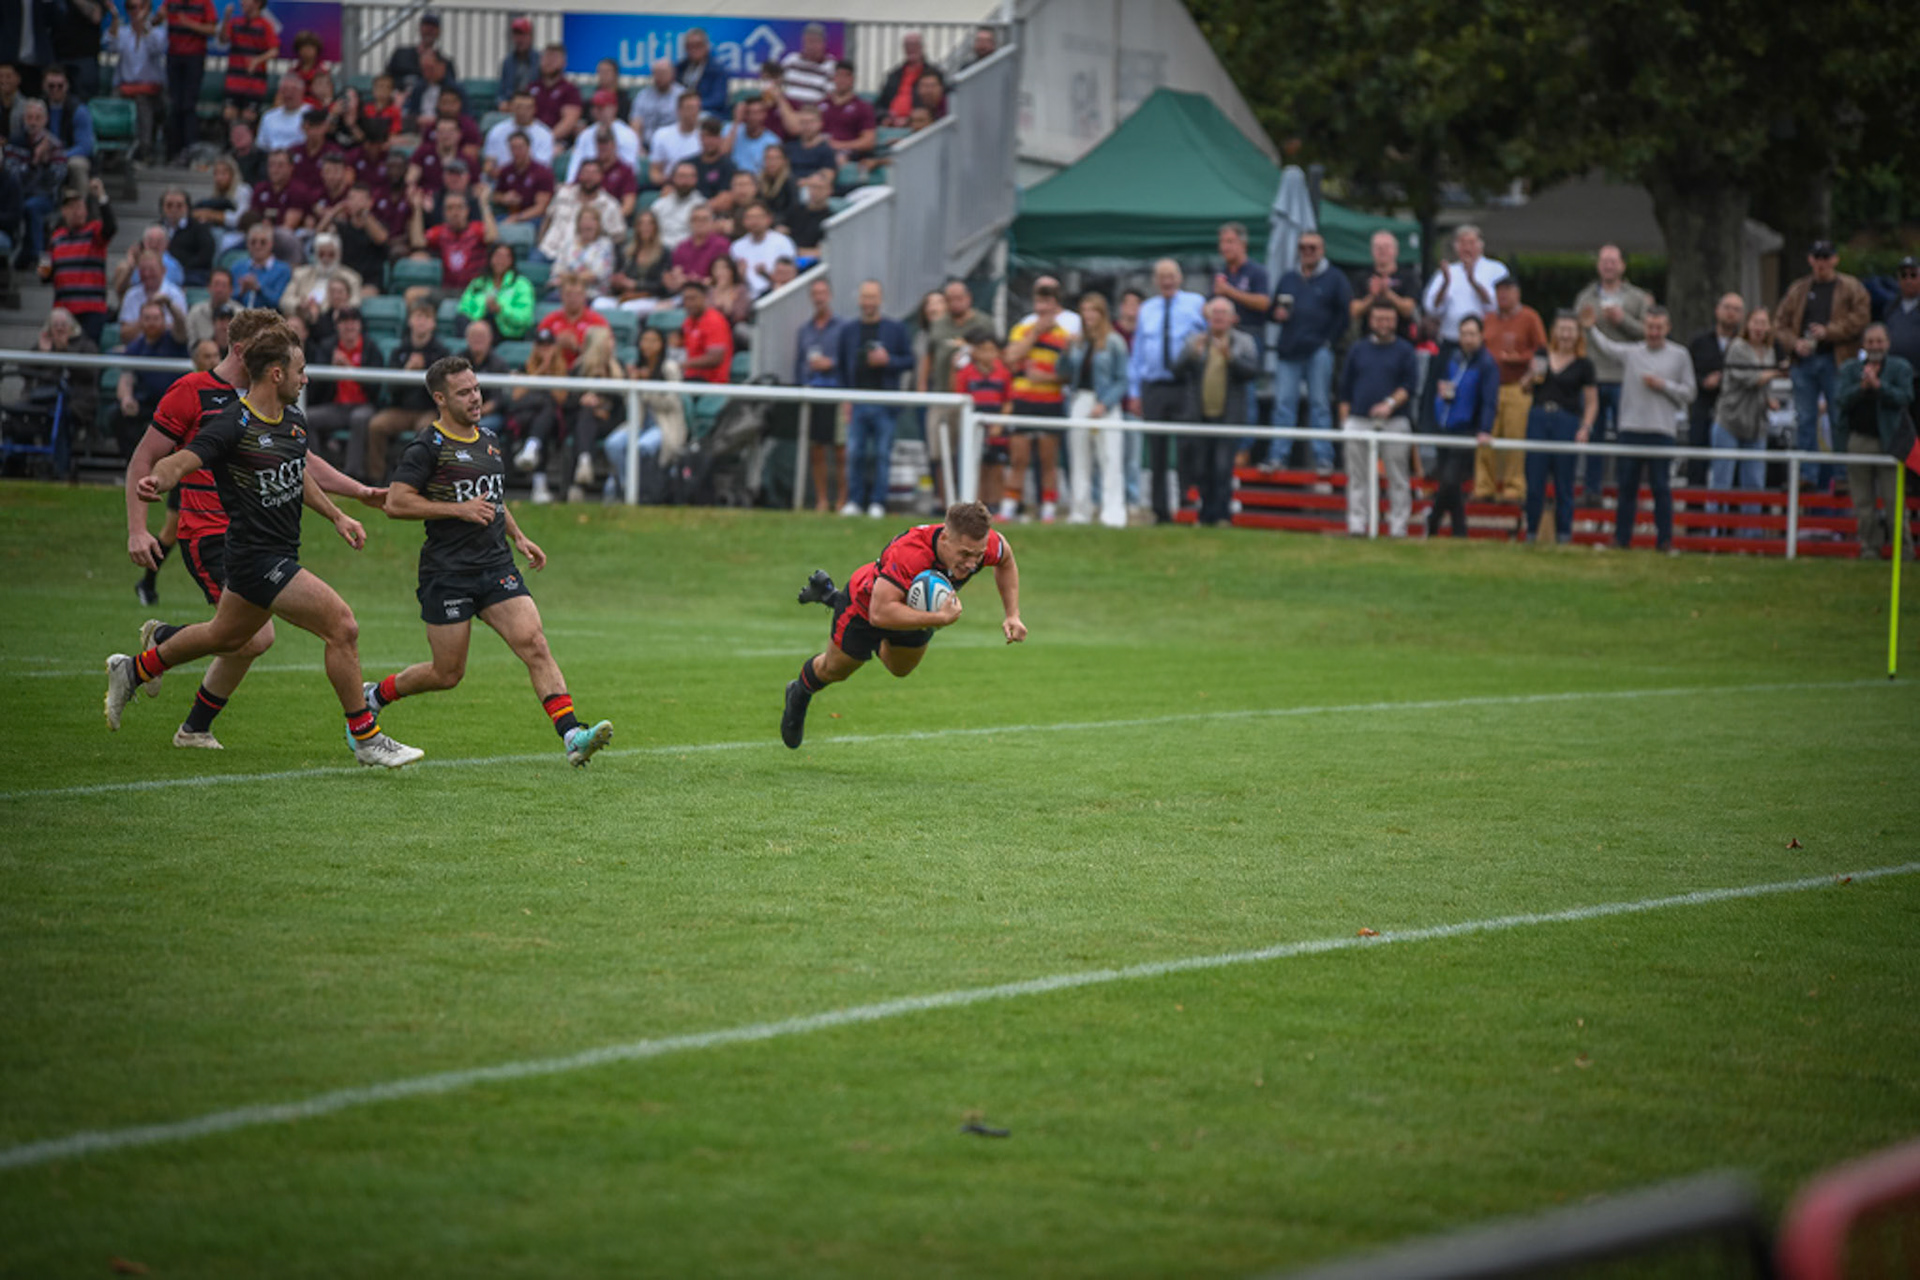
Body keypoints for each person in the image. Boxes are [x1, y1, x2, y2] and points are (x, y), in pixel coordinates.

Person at [108, 326, 421, 766]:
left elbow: (297, 473)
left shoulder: (292, 420)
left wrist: (337, 515)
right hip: (257, 559)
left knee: (226, 636)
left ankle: (134, 669)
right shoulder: (232, 423)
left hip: (276, 553)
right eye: (300, 370)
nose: (305, 379)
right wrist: (157, 479)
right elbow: (183, 458)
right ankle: (366, 737)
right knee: (342, 626)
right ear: (276, 373)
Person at [356, 355, 614, 764]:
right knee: (447, 674)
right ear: (441, 398)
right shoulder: (428, 446)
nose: (475, 398)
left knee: (535, 643)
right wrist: (457, 510)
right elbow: (396, 503)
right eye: (464, 392)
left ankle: (572, 736)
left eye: (476, 388)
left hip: (495, 566)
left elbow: (492, 500)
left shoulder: (489, 440)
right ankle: (374, 696)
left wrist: (519, 536)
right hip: (448, 573)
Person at [781, 501, 1024, 749]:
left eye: (978, 555)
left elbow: (1006, 559)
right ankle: (799, 693)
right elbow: (879, 613)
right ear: (944, 537)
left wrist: (1012, 615)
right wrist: (939, 618)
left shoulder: (982, 544)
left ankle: (833, 598)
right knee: (835, 670)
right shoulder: (910, 552)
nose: (972, 563)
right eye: (965, 554)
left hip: (913, 612)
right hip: (865, 607)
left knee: (900, 669)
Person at [1581, 304, 1696, 552]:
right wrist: (1590, 328)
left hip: (1661, 431)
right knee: (1626, 488)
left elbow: (1690, 392)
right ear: (1644, 327)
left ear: (1667, 328)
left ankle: (1664, 541)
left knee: (1661, 488)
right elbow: (1607, 347)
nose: (1654, 332)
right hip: (1630, 429)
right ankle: (1621, 540)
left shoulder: (1680, 355)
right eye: (1650, 327)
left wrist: (1663, 385)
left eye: (1659, 327)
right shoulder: (1632, 352)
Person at [1773, 240, 1871, 492]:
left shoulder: (1851, 287)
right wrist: (1795, 343)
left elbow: (1862, 317)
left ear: (1835, 259)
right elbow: (1780, 323)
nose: (1821, 262)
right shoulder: (1799, 289)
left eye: (1826, 257)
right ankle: (1807, 474)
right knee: (1805, 418)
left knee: (1839, 417)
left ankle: (1841, 475)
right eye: (1817, 257)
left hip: (1836, 361)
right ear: (1810, 259)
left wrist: (1829, 331)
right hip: (1804, 362)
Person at [1128, 259, 1208, 523]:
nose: (1167, 281)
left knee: (1187, 444)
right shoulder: (1147, 309)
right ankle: (1160, 510)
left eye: (1171, 276)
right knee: (1157, 450)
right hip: (1154, 386)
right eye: (1162, 277)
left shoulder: (1195, 303)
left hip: (1185, 384)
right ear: (1155, 281)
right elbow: (1138, 351)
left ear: (1180, 278)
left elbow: (1208, 337)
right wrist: (1135, 391)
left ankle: (1187, 501)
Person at [1571, 244, 1653, 500]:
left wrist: (1622, 320)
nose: (1608, 265)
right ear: (1598, 265)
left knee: (1625, 438)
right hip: (1592, 378)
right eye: (1604, 261)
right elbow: (1573, 334)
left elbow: (1650, 333)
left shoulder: (1637, 298)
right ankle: (1592, 491)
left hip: (1625, 378)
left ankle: (1624, 492)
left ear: (1623, 266)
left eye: (1613, 261)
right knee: (1592, 436)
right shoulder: (1585, 297)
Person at [1271, 231, 1354, 478]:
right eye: (1303, 247)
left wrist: (1327, 341)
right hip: (1289, 351)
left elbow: (1345, 315)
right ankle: (1278, 456)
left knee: (1320, 405)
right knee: (1284, 405)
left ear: (1322, 250)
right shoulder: (1288, 278)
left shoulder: (1335, 278)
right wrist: (1277, 314)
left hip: (1318, 351)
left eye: (1312, 247)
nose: (1307, 252)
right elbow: (1273, 309)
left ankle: (1323, 458)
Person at [1337, 297, 1421, 538]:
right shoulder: (1358, 349)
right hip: (1358, 420)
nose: (1383, 324)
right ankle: (1357, 525)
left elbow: (1410, 385)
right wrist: (1345, 422)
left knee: (1398, 476)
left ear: (1395, 321)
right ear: (1371, 321)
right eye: (1379, 319)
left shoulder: (1405, 350)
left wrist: (1389, 404)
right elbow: (1345, 388)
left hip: (1395, 421)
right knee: (1357, 476)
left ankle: (1398, 527)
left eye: (1388, 319)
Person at [1173, 297, 1259, 527]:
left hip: (1228, 416)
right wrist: (1192, 354)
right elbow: (1177, 370)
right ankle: (1205, 514)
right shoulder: (1196, 340)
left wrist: (1231, 358)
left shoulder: (1243, 342)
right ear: (1208, 318)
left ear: (1232, 318)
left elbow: (1252, 372)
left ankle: (1222, 515)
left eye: (1223, 313)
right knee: (1201, 467)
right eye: (1215, 313)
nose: (1218, 317)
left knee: (1222, 467)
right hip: (1200, 415)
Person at [1835, 324, 1914, 559]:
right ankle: (1869, 547)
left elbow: (1905, 397)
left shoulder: (1900, 367)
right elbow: (1841, 399)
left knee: (1894, 501)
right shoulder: (1850, 369)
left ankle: (1904, 549)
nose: (1875, 346)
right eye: (1870, 342)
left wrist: (1880, 386)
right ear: (1863, 345)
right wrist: (1862, 387)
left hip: (1891, 442)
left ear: (1888, 343)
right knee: (1863, 502)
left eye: (1879, 341)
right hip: (1860, 440)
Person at [836, 279, 912, 518]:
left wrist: (888, 361)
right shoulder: (848, 330)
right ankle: (855, 500)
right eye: (865, 297)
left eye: (872, 297)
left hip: (885, 403)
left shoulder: (896, 329)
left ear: (880, 299)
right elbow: (841, 366)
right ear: (859, 299)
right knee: (855, 453)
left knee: (881, 454)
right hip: (857, 401)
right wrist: (845, 399)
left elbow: (909, 360)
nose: (868, 302)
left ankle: (878, 502)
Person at [1522, 314, 1598, 545]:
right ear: (1554, 332)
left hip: (1566, 420)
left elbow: (1591, 401)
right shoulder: (1541, 355)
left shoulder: (1584, 364)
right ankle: (1531, 532)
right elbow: (1525, 388)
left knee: (1564, 482)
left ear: (1577, 334)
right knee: (1534, 481)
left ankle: (1564, 534)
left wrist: (1585, 427)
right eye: (1562, 329)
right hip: (1539, 417)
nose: (1565, 335)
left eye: (1570, 330)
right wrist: (1531, 374)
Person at [1002, 281, 1072, 522]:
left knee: (1048, 459)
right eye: (1039, 302)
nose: (1042, 308)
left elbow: (1069, 374)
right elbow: (1010, 356)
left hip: (1050, 401)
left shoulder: (1065, 337)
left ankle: (1049, 509)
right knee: (1018, 457)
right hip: (1023, 400)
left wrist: (1047, 378)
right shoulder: (1022, 329)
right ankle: (1009, 506)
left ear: (1056, 306)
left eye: (1047, 302)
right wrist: (1034, 334)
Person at [1059, 292, 1131, 528]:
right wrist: (1066, 350)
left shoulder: (1114, 342)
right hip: (1080, 400)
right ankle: (1080, 511)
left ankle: (1113, 512)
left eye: (1093, 310)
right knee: (1079, 458)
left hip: (1105, 404)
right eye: (1085, 310)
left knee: (1110, 457)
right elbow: (1063, 371)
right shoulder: (1079, 342)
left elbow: (1122, 379)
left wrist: (1105, 403)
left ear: (1102, 314)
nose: (1088, 315)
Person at [355, 302, 449, 480]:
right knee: (376, 425)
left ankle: (418, 479)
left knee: (426, 430)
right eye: (418, 316)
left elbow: (443, 390)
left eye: (426, 317)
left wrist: (426, 370)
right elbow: (390, 388)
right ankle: (376, 478)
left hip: (428, 410)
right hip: (401, 409)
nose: (421, 322)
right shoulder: (399, 351)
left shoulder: (441, 353)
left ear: (433, 324)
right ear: (410, 321)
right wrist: (407, 371)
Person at [1712, 307, 1787, 529]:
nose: (1759, 327)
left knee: (1754, 483)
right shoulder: (1737, 347)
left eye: (1764, 323)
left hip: (1756, 424)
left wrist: (1769, 400)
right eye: (1756, 322)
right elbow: (1752, 379)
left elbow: (1764, 385)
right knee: (1722, 481)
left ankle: (1751, 536)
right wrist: (1778, 371)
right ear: (1747, 325)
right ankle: (1716, 533)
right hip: (1730, 421)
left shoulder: (1769, 351)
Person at [1428, 315, 1498, 538]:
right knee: (1451, 484)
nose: (1467, 339)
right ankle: (1460, 531)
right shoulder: (1454, 357)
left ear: (1481, 336)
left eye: (1472, 334)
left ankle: (1432, 522)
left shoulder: (1487, 364)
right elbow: (1441, 386)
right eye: (1464, 334)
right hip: (1446, 426)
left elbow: (1489, 400)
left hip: (1466, 429)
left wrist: (1484, 429)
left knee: (1450, 479)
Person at [1477, 276, 1545, 502]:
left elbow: (1542, 352)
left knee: (1515, 437)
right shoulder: (1488, 319)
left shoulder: (1529, 317)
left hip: (1517, 386)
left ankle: (1513, 487)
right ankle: (1484, 486)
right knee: (1485, 434)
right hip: (1489, 387)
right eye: (1499, 291)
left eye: (1508, 290)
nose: (1503, 295)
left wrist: (1522, 362)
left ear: (1518, 293)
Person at [1681, 293, 1747, 486]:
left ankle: (1730, 503)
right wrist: (1703, 381)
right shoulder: (1699, 341)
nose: (1731, 313)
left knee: (1732, 463)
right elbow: (1687, 372)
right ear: (1717, 310)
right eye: (1727, 307)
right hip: (1703, 407)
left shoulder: (1746, 344)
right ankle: (1695, 503)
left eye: (1736, 309)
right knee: (1697, 460)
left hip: (1735, 411)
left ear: (1742, 315)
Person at [1212, 220, 1270, 437]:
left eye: (1230, 241)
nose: (1224, 247)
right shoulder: (1221, 273)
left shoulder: (1256, 272)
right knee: (1220, 389)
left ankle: (1244, 446)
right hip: (1222, 337)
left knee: (1247, 392)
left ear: (1243, 244)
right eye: (1222, 242)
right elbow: (1210, 303)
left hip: (1249, 336)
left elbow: (1264, 303)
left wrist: (1230, 292)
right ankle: (1223, 442)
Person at [794, 276, 845, 512]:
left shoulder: (842, 327)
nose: (819, 298)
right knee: (816, 450)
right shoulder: (805, 330)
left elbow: (847, 360)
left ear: (830, 295)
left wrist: (830, 364)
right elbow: (799, 364)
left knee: (840, 450)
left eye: (823, 293)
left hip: (836, 392)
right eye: (815, 294)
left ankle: (842, 500)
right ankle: (822, 500)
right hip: (813, 393)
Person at [303, 303, 381, 458]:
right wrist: (330, 370)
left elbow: (376, 388)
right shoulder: (327, 347)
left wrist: (351, 369)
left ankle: (353, 471)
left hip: (364, 404)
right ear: (337, 326)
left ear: (360, 325)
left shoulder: (371, 347)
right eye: (344, 321)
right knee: (306, 418)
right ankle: (315, 467)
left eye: (353, 321)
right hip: (336, 406)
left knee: (359, 418)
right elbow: (316, 389)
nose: (349, 326)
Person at [45, 178, 114, 344]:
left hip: (91, 309)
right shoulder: (56, 237)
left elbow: (110, 227)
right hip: (64, 309)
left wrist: (101, 196)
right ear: (64, 211)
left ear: (85, 211)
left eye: (80, 207)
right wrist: (44, 271)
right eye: (71, 207)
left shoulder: (94, 232)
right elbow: (47, 273)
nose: (76, 211)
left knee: (87, 350)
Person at [953, 327, 1013, 517]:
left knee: (996, 467)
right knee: (976, 467)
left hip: (996, 429)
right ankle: (976, 507)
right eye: (982, 349)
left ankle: (995, 506)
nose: (987, 354)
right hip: (973, 429)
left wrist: (1000, 423)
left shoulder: (1003, 373)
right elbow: (960, 399)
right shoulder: (965, 373)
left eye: (991, 349)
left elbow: (1008, 401)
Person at [109, 0, 168, 163]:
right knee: (113, 100)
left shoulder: (158, 32)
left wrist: (144, 27)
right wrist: (115, 19)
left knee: (143, 102)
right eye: (131, 7)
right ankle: (112, 151)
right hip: (126, 87)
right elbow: (111, 46)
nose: (135, 11)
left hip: (150, 89)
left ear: (147, 9)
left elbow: (156, 48)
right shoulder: (123, 32)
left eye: (139, 7)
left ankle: (145, 150)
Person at [540, 157, 626, 261]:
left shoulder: (610, 205)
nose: (589, 177)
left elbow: (618, 237)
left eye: (594, 173)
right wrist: (540, 242)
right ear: (579, 175)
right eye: (586, 172)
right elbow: (547, 220)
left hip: (582, 260)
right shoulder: (563, 194)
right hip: (549, 251)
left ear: (601, 176)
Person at [164, 0, 219, 161]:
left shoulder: (204, 3)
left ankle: (191, 151)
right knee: (174, 104)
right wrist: (157, 17)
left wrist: (189, 23)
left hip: (194, 57)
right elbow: (157, 19)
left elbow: (212, 29)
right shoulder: (171, 2)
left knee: (188, 105)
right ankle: (172, 152)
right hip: (174, 56)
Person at [1347, 229, 1420, 342]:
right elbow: (1354, 311)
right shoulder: (1362, 276)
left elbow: (1408, 309)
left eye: (1387, 247)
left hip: (1401, 340)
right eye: (1378, 247)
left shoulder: (1408, 276)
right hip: (1369, 341)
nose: (1382, 251)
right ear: (1372, 251)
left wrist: (1388, 293)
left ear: (1396, 251)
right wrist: (1372, 296)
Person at [219, 0, 279, 126]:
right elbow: (223, 40)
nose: (242, 3)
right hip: (234, 80)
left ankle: (249, 138)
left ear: (257, 3)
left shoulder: (265, 25)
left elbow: (274, 51)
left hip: (255, 82)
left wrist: (257, 60)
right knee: (229, 114)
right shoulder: (235, 22)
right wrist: (226, 18)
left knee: (249, 116)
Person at [459, 241, 535, 340]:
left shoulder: (522, 285)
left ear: (512, 260)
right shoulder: (479, 282)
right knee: (461, 319)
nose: (501, 261)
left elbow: (524, 318)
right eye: (498, 256)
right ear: (491, 258)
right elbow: (464, 307)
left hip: (506, 331)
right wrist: (478, 318)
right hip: (477, 326)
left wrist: (500, 310)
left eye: (505, 257)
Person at [37, 67, 91, 191]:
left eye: (60, 86)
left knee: (78, 165)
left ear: (67, 86)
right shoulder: (38, 107)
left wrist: (59, 156)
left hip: (69, 155)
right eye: (51, 86)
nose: (55, 90)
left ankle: (80, 202)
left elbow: (85, 146)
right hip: (43, 154)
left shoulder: (79, 110)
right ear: (44, 86)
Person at [679, 277, 734, 384]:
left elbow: (715, 358)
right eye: (685, 299)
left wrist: (682, 364)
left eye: (693, 298)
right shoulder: (688, 322)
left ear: (704, 298)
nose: (689, 303)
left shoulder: (714, 321)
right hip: (690, 379)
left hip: (712, 383)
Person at [485, 90, 554, 173]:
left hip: (531, 178)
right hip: (501, 177)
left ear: (534, 109)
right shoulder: (497, 131)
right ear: (511, 108)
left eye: (527, 108)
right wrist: (503, 176)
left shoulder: (544, 134)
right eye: (519, 107)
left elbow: (542, 167)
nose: (522, 112)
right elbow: (489, 163)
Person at [648, 89, 705, 187]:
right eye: (689, 108)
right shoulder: (662, 135)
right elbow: (654, 172)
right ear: (679, 111)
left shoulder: (705, 137)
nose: (694, 112)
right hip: (670, 185)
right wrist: (670, 183)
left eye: (697, 108)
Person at [384, 10, 454, 88]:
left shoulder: (444, 64)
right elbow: (386, 79)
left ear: (439, 31)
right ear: (420, 28)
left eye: (433, 26)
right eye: (426, 25)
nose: (429, 29)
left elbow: (450, 89)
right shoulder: (400, 54)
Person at [778, 22, 836, 112]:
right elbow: (778, 83)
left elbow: (830, 96)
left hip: (814, 112)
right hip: (787, 110)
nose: (811, 46)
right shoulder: (791, 60)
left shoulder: (830, 66)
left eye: (815, 42)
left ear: (823, 44)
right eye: (808, 41)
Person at [230, 221, 289, 309]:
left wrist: (259, 288)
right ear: (247, 244)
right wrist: (241, 291)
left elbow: (279, 302)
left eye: (263, 242)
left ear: (271, 244)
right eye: (253, 242)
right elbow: (227, 298)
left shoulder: (283, 270)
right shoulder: (237, 267)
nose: (257, 246)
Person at [531, 44, 582, 143]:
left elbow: (569, 121)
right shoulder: (531, 87)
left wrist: (547, 139)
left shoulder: (570, 90)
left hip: (556, 141)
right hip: (530, 139)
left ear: (564, 63)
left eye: (554, 58)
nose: (549, 62)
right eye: (546, 57)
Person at [675, 27, 729, 117]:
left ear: (707, 46)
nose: (694, 49)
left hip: (708, 112)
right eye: (690, 46)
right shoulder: (680, 68)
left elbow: (718, 100)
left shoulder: (718, 70)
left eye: (698, 45)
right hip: (682, 112)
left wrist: (692, 106)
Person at [878, 33, 928, 126]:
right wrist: (885, 117)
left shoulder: (931, 74)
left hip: (918, 122)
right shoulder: (894, 75)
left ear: (921, 47)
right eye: (908, 45)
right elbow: (882, 102)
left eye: (914, 45)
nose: (911, 48)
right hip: (891, 122)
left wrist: (909, 119)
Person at [628, 59, 679, 142]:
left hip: (673, 144)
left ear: (672, 74)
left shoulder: (681, 96)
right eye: (657, 73)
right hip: (647, 144)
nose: (660, 77)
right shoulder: (643, 96)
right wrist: (638, 146)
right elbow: (635, 123)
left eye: (663, 73)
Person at [1886, 257, 1920, 370]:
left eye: (1913, 275)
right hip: (1895, 373)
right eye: (1904, 275)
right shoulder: (1890, 307)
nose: (1908, 280)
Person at [496, 16, 537, 105]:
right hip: (511, 105)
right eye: (516, 35)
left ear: (530, 36)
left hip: (532, 105)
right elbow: (502, 91)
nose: (519, 39)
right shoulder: (508, 62)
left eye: (523, 35)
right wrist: (502, 102)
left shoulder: (539, 60)